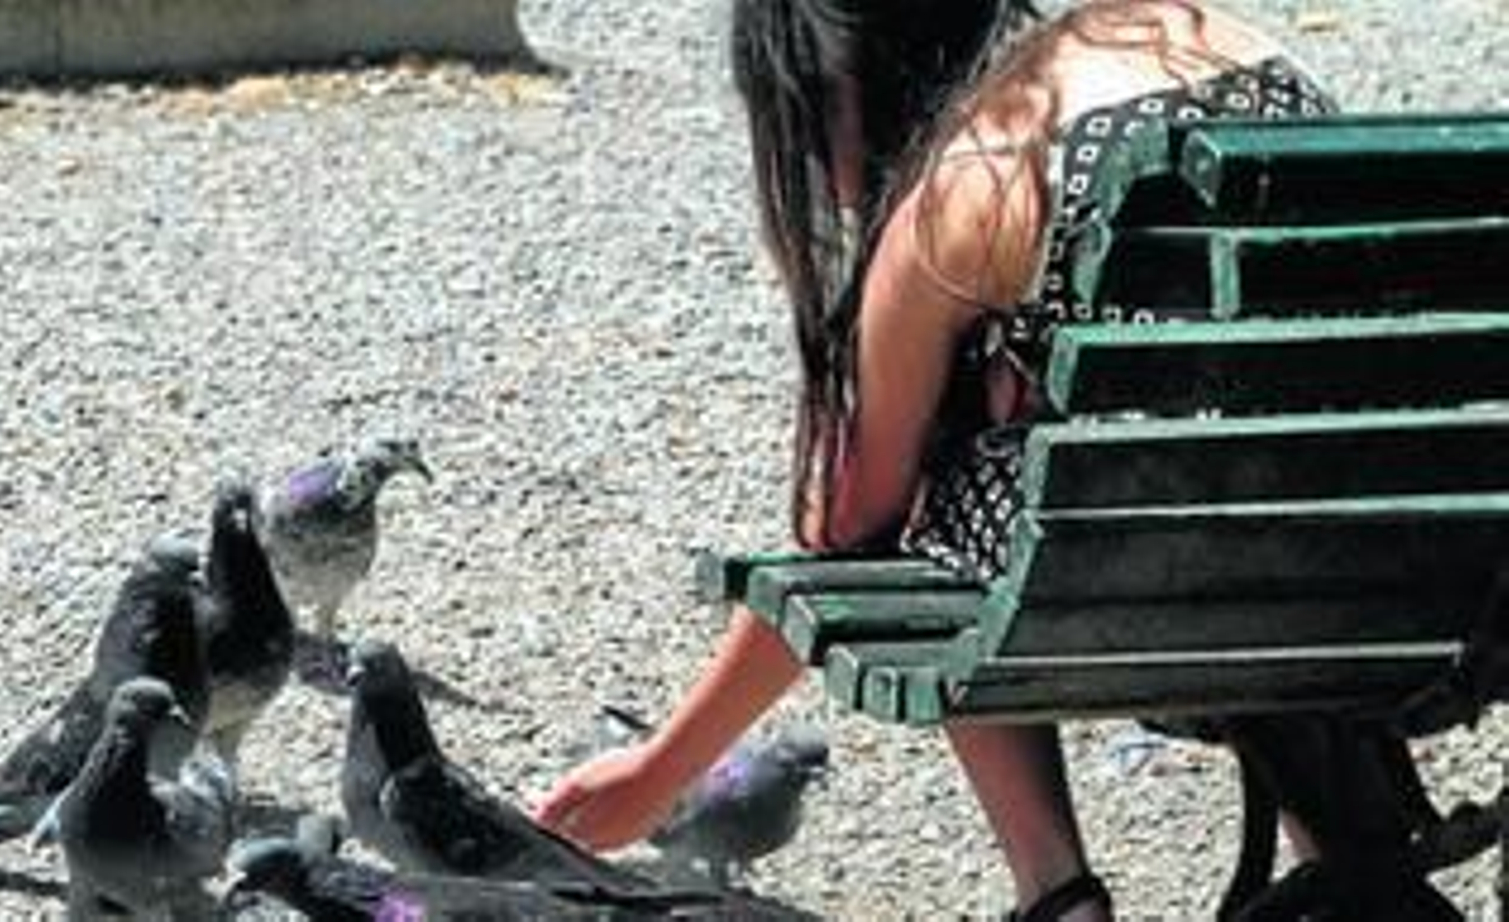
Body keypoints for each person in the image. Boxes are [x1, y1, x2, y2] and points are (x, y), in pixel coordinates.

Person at [534, 2, 1337, 919]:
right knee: (1260, 438)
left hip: (1157, 593)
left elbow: (841, 530)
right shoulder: (1195, 29)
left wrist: (661, 769)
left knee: (943, 491)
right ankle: (1345, 853)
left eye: (803, 136)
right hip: (1384, 557)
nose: (823, 184)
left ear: (847, 90)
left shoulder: (972, 173)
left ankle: (1054, 886)